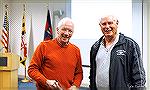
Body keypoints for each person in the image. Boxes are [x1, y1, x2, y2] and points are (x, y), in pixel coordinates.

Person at [89, 15, 146, 90]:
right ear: (100, 26)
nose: (107, 26)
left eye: (110, 23)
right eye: (104, 24)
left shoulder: (130, 45)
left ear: (117, 23)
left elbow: (139, 76)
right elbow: (92, 73)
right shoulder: (95, 47)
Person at [28, 17, 83, 90]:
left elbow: (79, 73)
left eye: (70, 31)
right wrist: (46, 81)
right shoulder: (43, 46)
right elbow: (32, 69)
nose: (66, 33)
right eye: (64, 29)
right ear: (57, 30)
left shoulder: (76, 50)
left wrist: (75, 86)